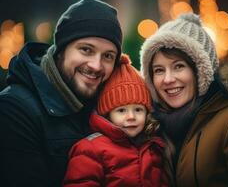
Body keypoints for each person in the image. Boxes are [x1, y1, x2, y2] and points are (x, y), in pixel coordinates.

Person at [0, 0, 122, 186]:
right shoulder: (14, 109)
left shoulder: (106, 107)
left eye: (108, 56)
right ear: (60, 51)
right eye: (86, 50)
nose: (97, 66)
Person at [140, 13, 228, 187]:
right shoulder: (153, 130)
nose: (168, 79)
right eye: (159, 70)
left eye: (179, 66)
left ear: (201, 71)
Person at [63, 54, 172, 187]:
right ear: (108, 114)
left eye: (138, 110)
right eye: (121, 111)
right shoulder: (91, 148)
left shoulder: (153, 147)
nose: (131, 116)